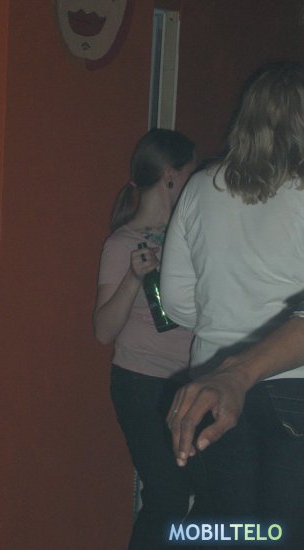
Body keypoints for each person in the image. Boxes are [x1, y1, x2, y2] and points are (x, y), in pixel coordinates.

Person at [160, 62, 304, 548]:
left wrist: (227, 321)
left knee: (230, 532)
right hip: (296, 383)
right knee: (287, 533)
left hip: (211, 382)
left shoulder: (202, 186)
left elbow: (176, 301)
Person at [93, 128, 200, 549]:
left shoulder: (189, 238)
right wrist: (134, 278)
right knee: (168, 497)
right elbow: (103, 330)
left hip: (188, 384)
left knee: (200, 495)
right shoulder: (122, 244)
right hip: (141, 384)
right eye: (190, 173)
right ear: (171, 176)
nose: (193, 183)